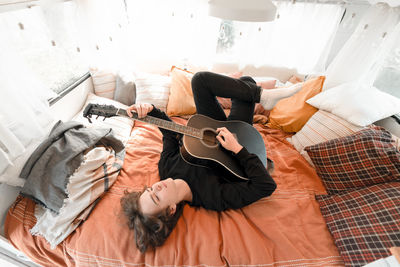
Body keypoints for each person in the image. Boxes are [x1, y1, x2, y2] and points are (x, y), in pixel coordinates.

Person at [120, 71, 303, 253]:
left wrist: (150, 109)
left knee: (201, 81)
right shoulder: (212, 197)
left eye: (150, 189)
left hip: (213, 129)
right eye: (156, 197)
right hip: (241, 142)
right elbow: (265, 186)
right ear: (171, 210)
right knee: (246, 83)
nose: (157, 187)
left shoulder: (166, 168)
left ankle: (260, 95)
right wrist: (237, 149)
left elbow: (170, 132)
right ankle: (259, 95)